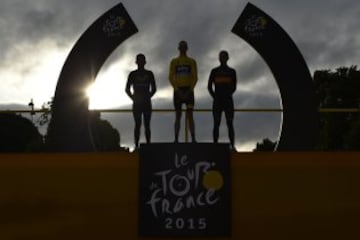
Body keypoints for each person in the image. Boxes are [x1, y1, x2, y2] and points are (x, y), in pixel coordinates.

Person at [169, 41, 198, 143]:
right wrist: (177, 90)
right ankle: (176, 139)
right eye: (181, 47)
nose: (182, 48)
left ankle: (193, 138)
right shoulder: (174, 61)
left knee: (190, 115)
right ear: (178, 48)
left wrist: (190, 90)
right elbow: (170, 77)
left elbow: (195, 77)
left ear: (187, 48)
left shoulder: (192, 61)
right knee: (178, 115)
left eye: (184, 47)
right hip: (178, 90)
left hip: (189, 90)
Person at [126, 53, 156, 148]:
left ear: (145, 62)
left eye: (142, 61)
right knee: (138, 124)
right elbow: (127, 89)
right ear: (136, 62)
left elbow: (154, 88)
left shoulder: (150, 74)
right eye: (139, 61)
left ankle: (148, 144)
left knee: (147, 125)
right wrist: (134, 98)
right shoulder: (132, 74)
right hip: (138, 104)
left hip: (146, 103)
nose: (141, 63)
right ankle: (136, 145)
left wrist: (148, 97)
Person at [208, 50, 237, 150]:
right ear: (219, 58)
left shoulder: (232, 72)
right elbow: (209, 86)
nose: (223, 58)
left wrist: (227, 95)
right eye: (221, 56)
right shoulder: (214, 71)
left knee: (230, 123)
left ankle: (232, 145)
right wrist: (215, 96)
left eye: (224, 56)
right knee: (216, 123)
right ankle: (215, 145)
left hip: (228, 101)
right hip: (218, 101)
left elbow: (234, 87)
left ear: (227, 58)